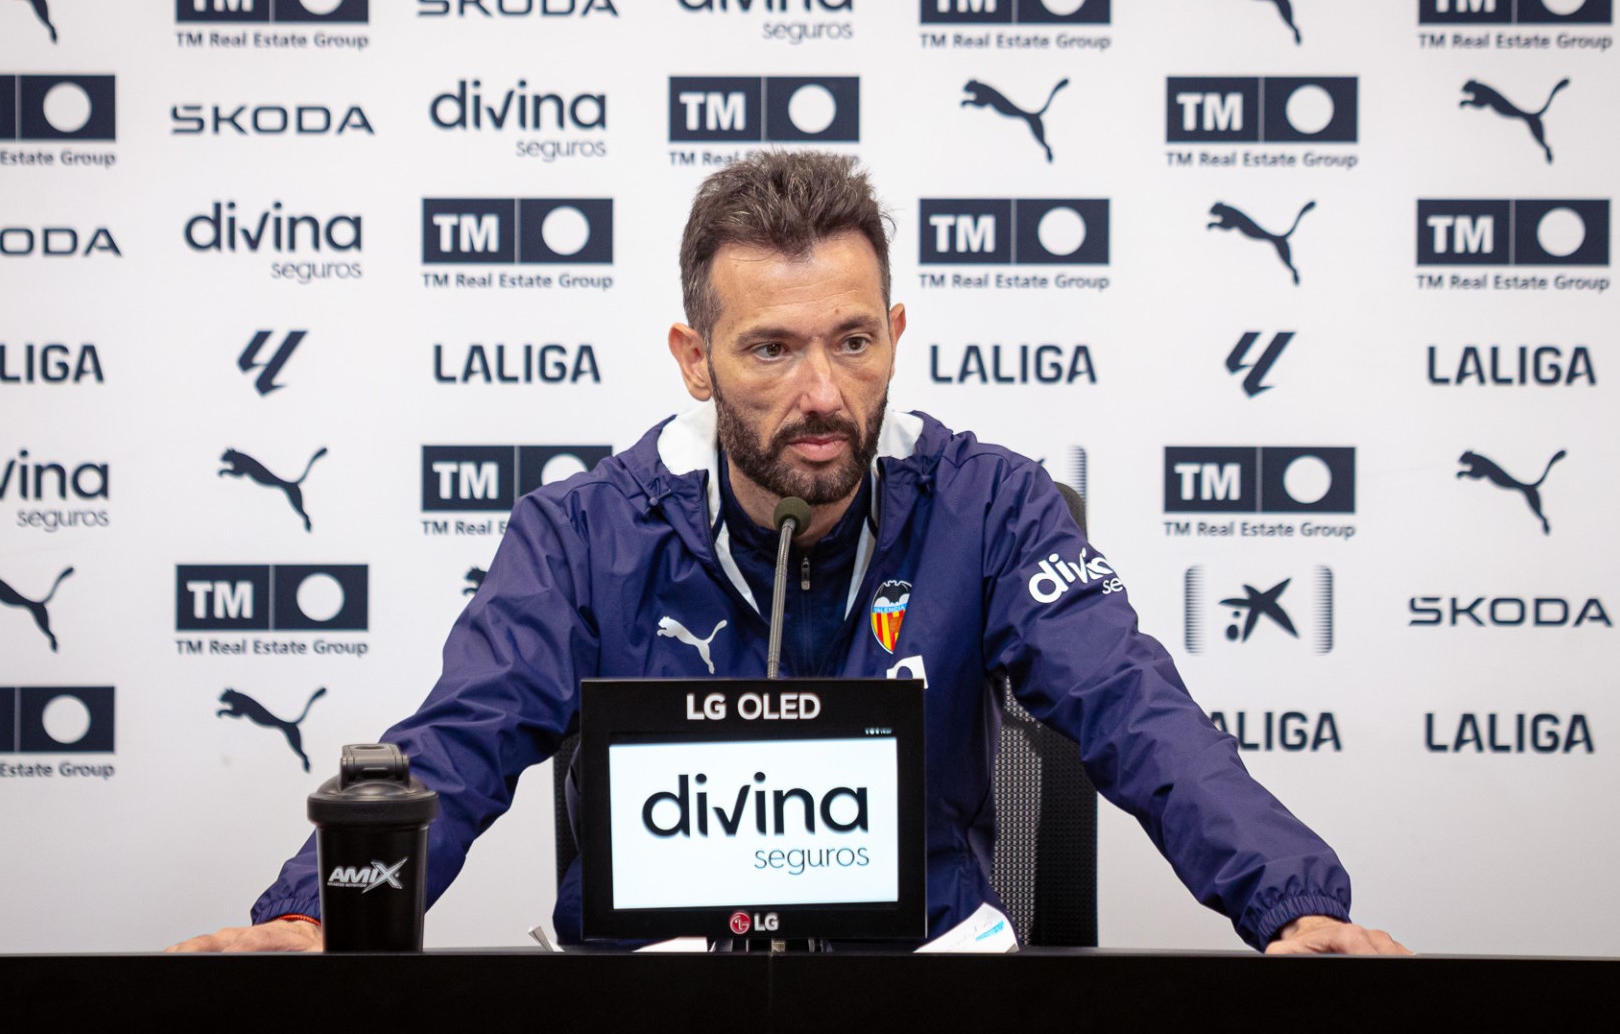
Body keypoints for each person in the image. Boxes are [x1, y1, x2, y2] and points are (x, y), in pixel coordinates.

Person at [171, 152, 1408, 957]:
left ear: (896, 335)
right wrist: (315, 918)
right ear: (695, 359)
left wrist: (1290, 903)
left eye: (854, 342)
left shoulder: (992, 505)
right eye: (771, 350)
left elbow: (1138, 708)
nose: (823, 393)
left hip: (918, 989)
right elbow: (460, 741)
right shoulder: (584, 531)